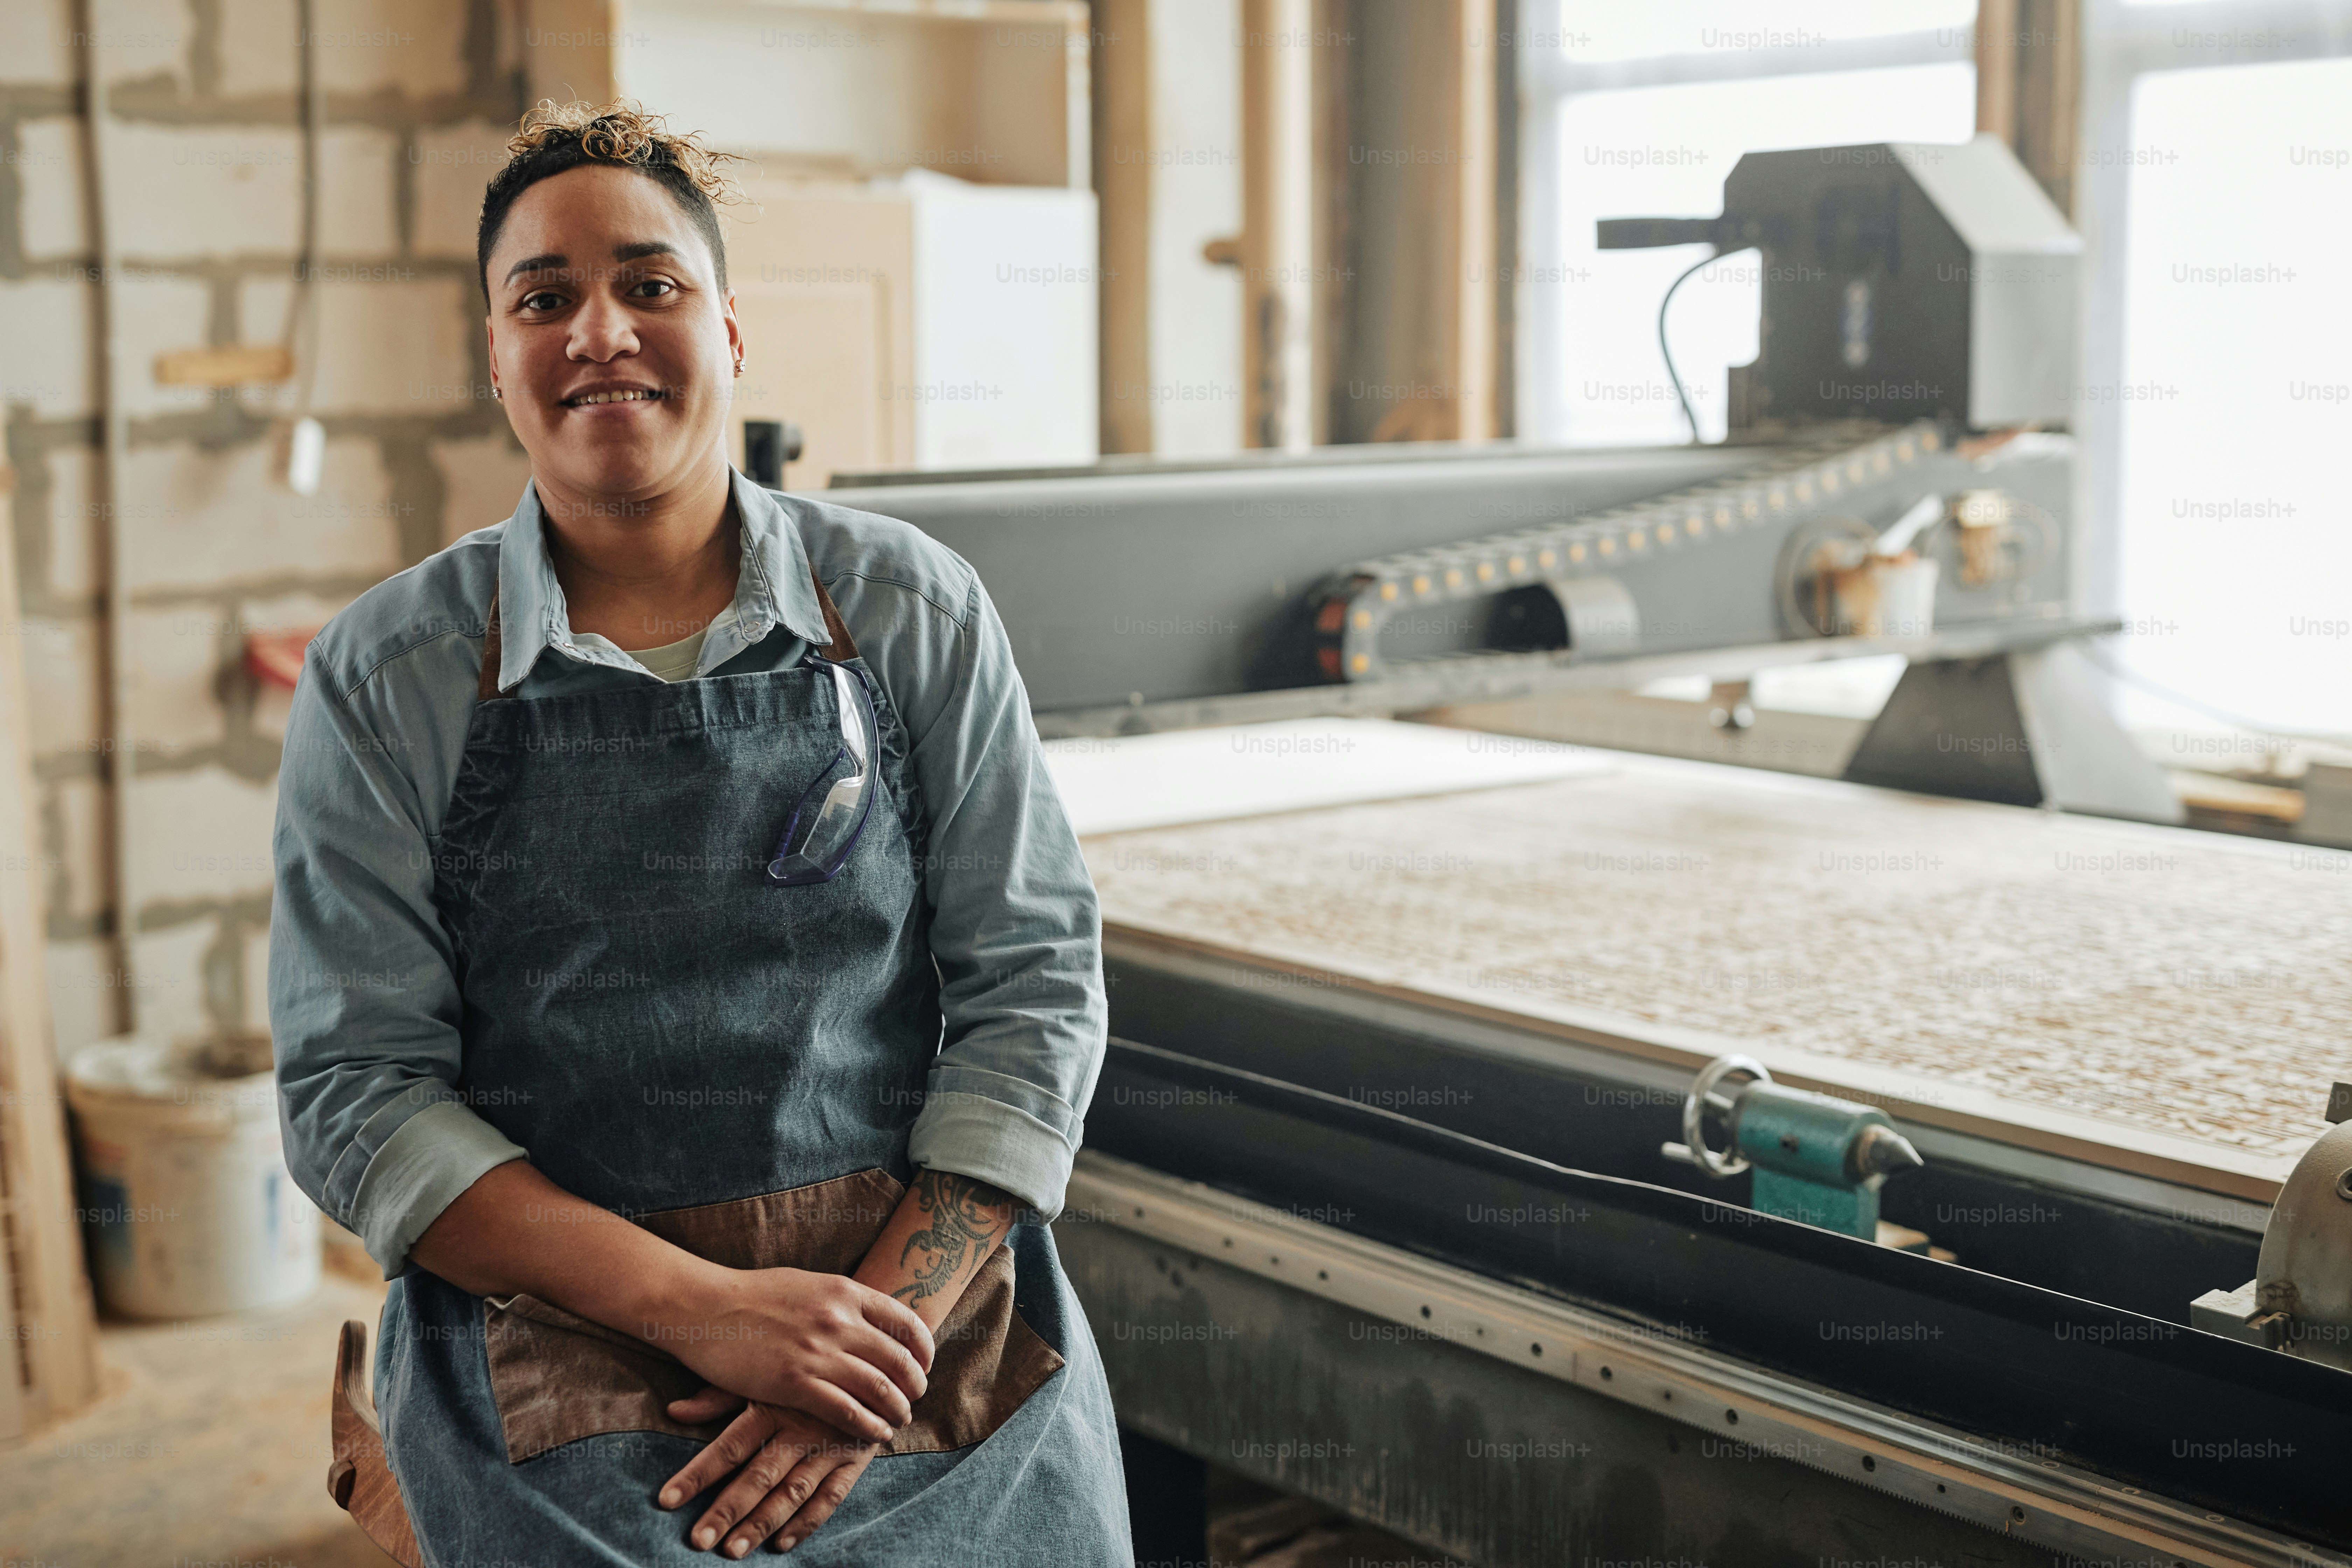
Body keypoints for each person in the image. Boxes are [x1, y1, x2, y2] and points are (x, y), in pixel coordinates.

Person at [269, 99, 1130, 1562]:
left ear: (729, 331)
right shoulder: (391, 673)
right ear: (497, 357)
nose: (600, 329)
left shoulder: (910, 613)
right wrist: (718, 1314)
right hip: (566, 1326)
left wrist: (861, 1351)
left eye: (649, 286)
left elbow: (1034, 990)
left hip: (910, 1307)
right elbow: (360, 1091)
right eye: (545, 297)